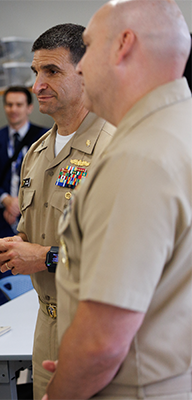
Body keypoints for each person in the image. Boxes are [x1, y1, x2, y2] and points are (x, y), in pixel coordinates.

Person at [44, 1, 192, 398]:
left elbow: (102, 342)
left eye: (88, 48)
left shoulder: (138, 157)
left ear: (123, 45)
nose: (81, 66)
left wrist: (65, 387)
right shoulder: (181, 129)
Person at [0, 24, 115, 399]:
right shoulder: (38, 152)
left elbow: (122, 252)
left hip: (98, 323)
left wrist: (44, 257)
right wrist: (18, 246)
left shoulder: (114, 146)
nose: (37, 85)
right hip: (46, 320)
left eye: (52, 72)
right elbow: (34, 229)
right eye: (35, 72)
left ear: (85, 72)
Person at [0, 86, 48, 308]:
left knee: (37, 277)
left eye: (19, 104)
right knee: (5, 276)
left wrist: (22, 203)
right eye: (9, 105)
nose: (14, 109)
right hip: (6, 218)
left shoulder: (44, 136)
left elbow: (48, 177)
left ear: (29, 107)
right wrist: (7, 201)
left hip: (36, 219)